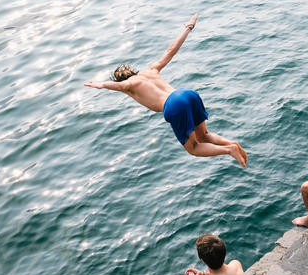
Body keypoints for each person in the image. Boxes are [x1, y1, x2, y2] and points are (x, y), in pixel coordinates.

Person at [84, 14, 247, 167]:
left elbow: (120, 86)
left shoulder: (130, 85)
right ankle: (231, 144)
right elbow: (171, 51)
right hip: (187, 94)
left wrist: (102, 84)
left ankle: (229, 150)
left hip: (174, 104)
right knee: (203, 136)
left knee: (194, 148)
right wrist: (188, 28)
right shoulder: (151, 70)